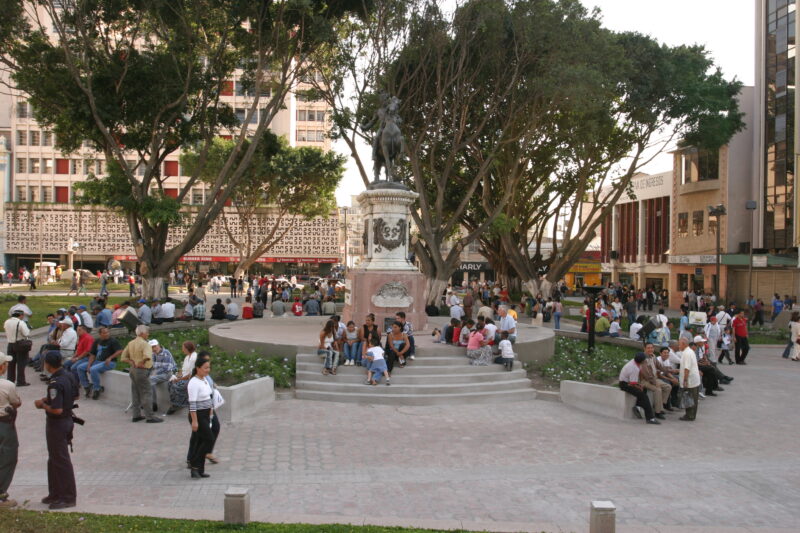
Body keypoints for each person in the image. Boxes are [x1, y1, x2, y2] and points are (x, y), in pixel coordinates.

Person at [34, 352, 78, 509]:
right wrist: (49, 400)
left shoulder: (55, 383)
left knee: (60, 460)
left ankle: (67, 497)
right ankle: (55, 492)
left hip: (57, 424)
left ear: (47, 364)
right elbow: (75, 396)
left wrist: (43, 405)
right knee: (54, 459)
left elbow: (56, 410)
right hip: (67, 421)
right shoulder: (69, 375)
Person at [119, 325, 162, 423]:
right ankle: (150, 416)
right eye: (147, 332)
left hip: (133, 370)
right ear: (142, 333)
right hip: (142, 371)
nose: (148, 334)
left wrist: (131, 362)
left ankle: (136, 415)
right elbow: (147, 356)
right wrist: (141, 363)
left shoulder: (131, 343)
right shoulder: (145, 344)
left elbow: (123, 357)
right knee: (146, 393)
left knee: (135, 393)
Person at [0, 352, 22, 509]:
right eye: (6, 364)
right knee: (8, 457)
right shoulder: (7, 385)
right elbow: (16, 402)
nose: (7, 366)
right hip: (4, 425)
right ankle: (1, 494)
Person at [187, 358, 215, 479]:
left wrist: (211, 412)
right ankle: (194, 465)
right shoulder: (193, 382)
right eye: (205, 368)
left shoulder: (204, 380)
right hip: (198, 415)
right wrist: (194, 421)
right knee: (209, 439)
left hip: (205, 414)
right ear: (198, 368)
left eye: (209, 368)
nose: (207, 370)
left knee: (200, 441)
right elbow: (192, 403)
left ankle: (199, 469)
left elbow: (209, 396)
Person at [618, 353, 660, 425]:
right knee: (644, 396)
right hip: (624, 384)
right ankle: (650, 418)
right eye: (645, 360)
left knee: (643, 391)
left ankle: (638, 405)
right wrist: (639, 386)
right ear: (642, 361)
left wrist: (639, 385)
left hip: (628, 382)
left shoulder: (634, 362)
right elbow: (632, 383)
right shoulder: (634, 368)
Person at [81, 327, 122, 400]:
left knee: (93, 369)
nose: (106, 334)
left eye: (107, 332)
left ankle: (97, 389)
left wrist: (110, 357)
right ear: (100, 334)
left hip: (109, 363)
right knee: (80, 367)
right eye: (104, 333)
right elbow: (92, 354)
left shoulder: (113, 341)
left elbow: (119, 351)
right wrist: (89, 364)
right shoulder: (97, 341)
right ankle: (86, 386)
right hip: (97, 362)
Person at [638, 343, 670, 420]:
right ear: (644, 349)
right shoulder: (643, 359)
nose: (650, 349)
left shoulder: (653, 356)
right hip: (645, 380)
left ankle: (660, 406)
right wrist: (655, 383)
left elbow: (659, 366)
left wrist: (668, 370)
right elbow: (646, 374)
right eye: (648, 348)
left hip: (654, 379)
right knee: (658, 390)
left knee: (668, 387)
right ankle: (657, 412)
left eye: (652, 348)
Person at [167, 341, 199, 414]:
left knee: (176, 385)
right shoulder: (187, 357)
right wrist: (176, 375)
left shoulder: (193, 358)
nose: (182, 350)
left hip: (191, 379)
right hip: (184, 378)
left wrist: (179, 379)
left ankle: (177, 405)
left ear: (187, 349)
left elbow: (191, 374)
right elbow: (183, 370)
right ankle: (176, 404)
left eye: (183, 348)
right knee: (170, 382)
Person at [4, 310, 31, 387]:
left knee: (11, 364)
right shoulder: (21, 322)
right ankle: (21, 381)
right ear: (21, 315)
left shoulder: (7, 322)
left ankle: (10, 380)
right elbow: (26, 333)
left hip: (10, 344)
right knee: (21, 363)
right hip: (20, 344)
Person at [149, 339, 176, 412]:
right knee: (147, 379)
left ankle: (153, 403)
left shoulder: (166, 352)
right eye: (152, 347)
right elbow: (152, 365)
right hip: (159, 374)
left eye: (155, 346)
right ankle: (149, 402)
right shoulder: (153, 354)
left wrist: (155, 372)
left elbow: (167, 368)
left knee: (150, 379)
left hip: (168, 373)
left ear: (158, 345)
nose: (153, 349)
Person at [678, 337, 701, 421]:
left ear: (684, 344)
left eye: (679, 344)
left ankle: (690, 415)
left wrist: (685, 380)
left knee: (690, 397)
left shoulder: (687, 353)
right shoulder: (689, 351)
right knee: (691, 397)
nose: (678, 346)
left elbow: (686, 368)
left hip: (690, 380)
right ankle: (690, 415)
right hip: (693, 379)